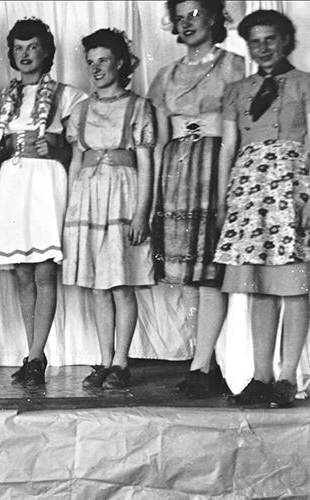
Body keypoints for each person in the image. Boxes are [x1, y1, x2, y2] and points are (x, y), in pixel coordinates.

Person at [0, 18, 86, 385]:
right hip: (13, 182)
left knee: (44, 269)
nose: (25, 55)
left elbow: (79, 149)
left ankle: (38, 354)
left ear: (47, 52)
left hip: (45, 182)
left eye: (33, 48)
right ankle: (31, 353)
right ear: (11, 54)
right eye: (18, 48)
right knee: (22, 271)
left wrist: (57, 149)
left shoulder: (68, 95)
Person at [149, 0, 245, 398]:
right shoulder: (165, 74)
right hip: (176, 171)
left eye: (195, 14)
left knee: (209, 274)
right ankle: (198, 358)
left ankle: (204, 364)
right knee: (186, 274)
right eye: (180, 16)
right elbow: (156, 142)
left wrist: (226, 192)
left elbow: (235, 134)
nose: (187, 23)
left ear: (214, 17)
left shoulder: (233, 66)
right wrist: (154, 194)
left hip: (214, 166)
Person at [216, 10, 310, 409]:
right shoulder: (237, 90)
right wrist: (224, 200)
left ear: (286, 40)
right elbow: (227, 149)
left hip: (292, 189)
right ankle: (261, 375)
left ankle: (287, 377)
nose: (264, 48)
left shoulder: (305, 85)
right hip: (249, 193)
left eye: (271, 39)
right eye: (255, 41)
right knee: (257, 286)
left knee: (294, 283)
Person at [64, 28, 156, 389]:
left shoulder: (137, 108)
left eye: (103, 60)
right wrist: (71, 210)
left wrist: (141, 213)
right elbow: (75, 162)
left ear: (119, 62)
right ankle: (103, 359)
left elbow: (146, 165)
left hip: (122, 196)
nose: (97, 68)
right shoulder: (81, 110)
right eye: (91, 63)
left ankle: (121, 361)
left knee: (121, 284)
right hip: (89, 200)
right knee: (98, 287)